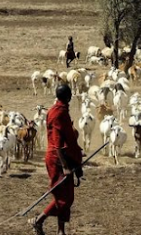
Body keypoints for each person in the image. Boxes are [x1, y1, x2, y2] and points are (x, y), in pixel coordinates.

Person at [29, 85, 83, 235]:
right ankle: (39, 220)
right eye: (70, 95)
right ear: (67, 97)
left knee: (68, 197)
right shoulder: (59, 113)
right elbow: (57, 143)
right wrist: (65, 165)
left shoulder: (57, 110)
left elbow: (66, 138)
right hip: (58, 160)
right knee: (63, 198)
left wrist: (75, 155)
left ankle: (61, 231)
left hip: (66, 157)